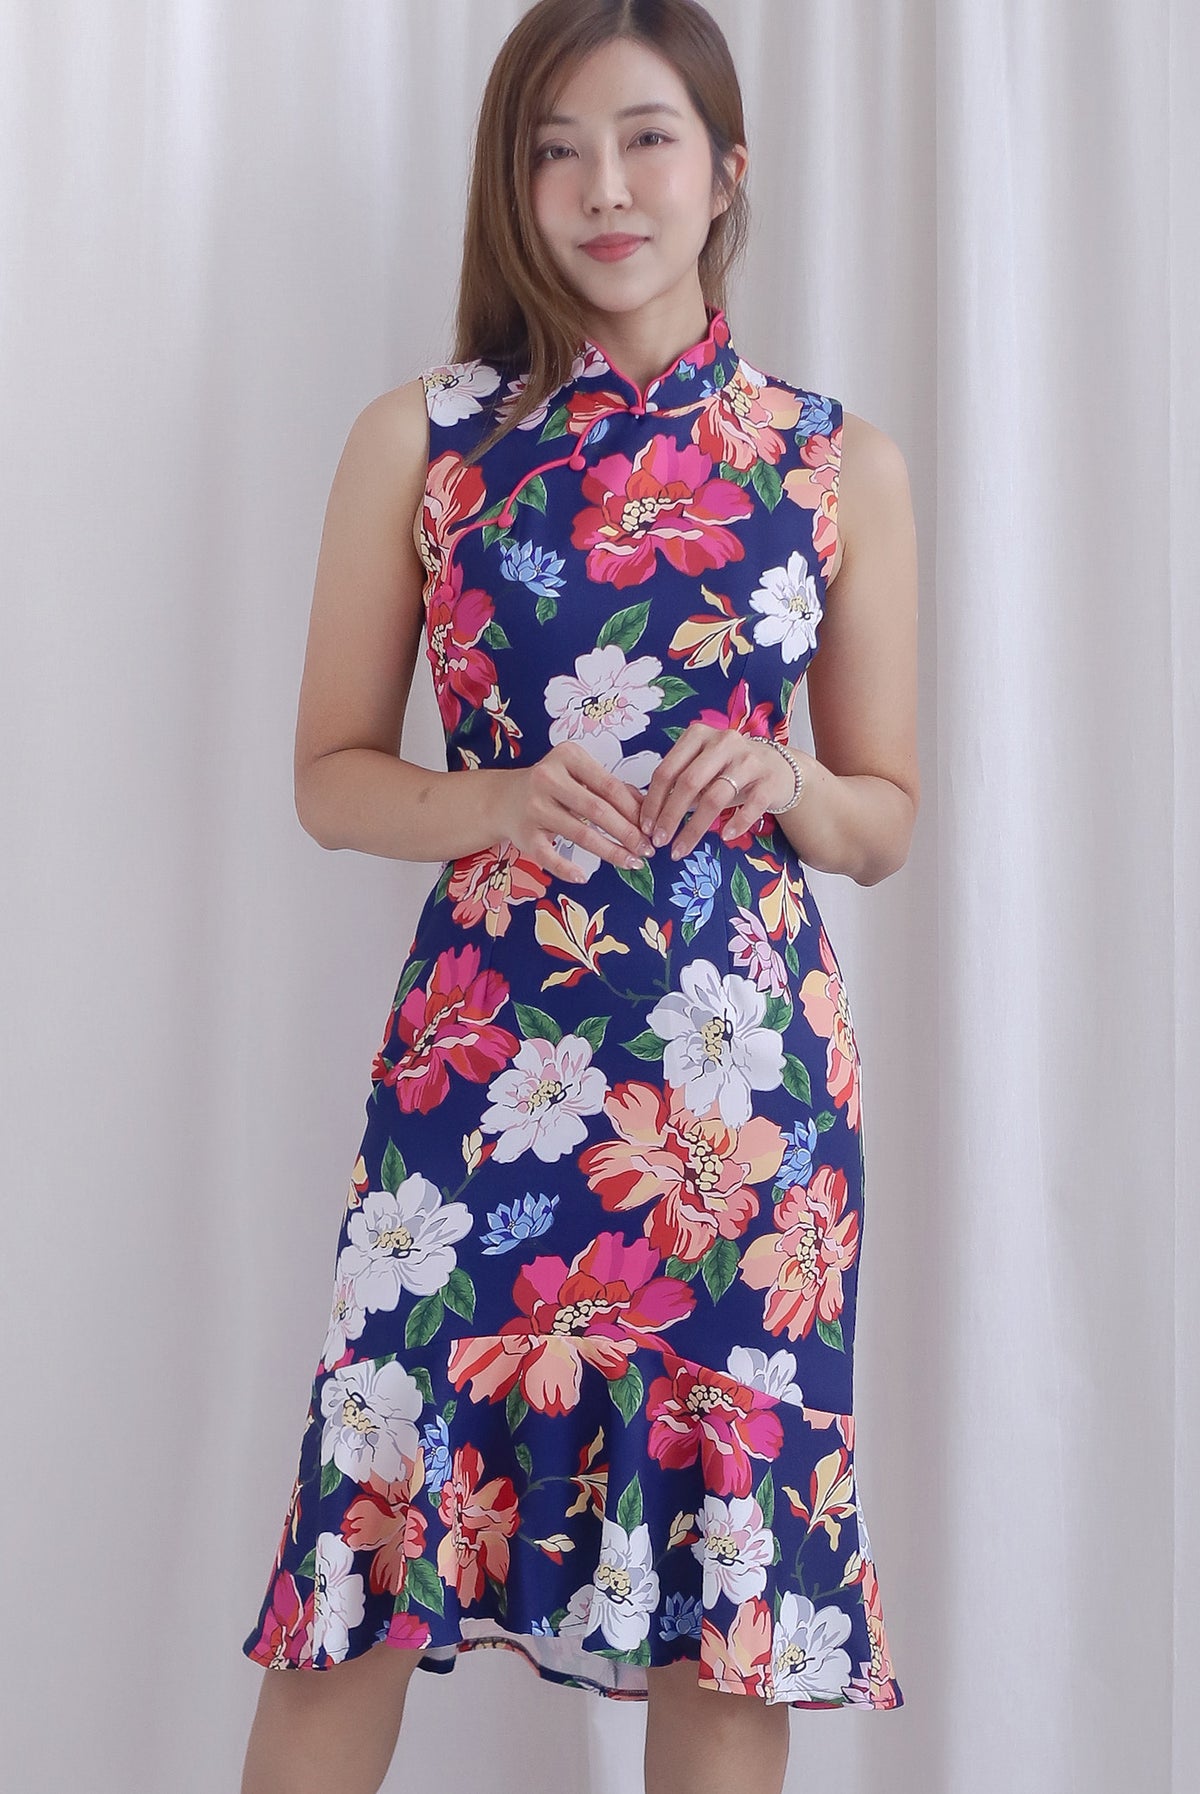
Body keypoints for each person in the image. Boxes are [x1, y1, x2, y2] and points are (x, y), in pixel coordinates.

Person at [238, 3, 919, 1791]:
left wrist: (793, 781)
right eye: (555, 149)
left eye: (645, 139)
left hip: (747, 1115)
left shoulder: (836, 461)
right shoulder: (425, 441)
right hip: (480, 1087)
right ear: (513, 183)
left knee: (729, 1598)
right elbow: (328, 774)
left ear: (728, 172)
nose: (602, 186)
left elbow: (887, 818)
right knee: (364, 1550)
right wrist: (488, 798)